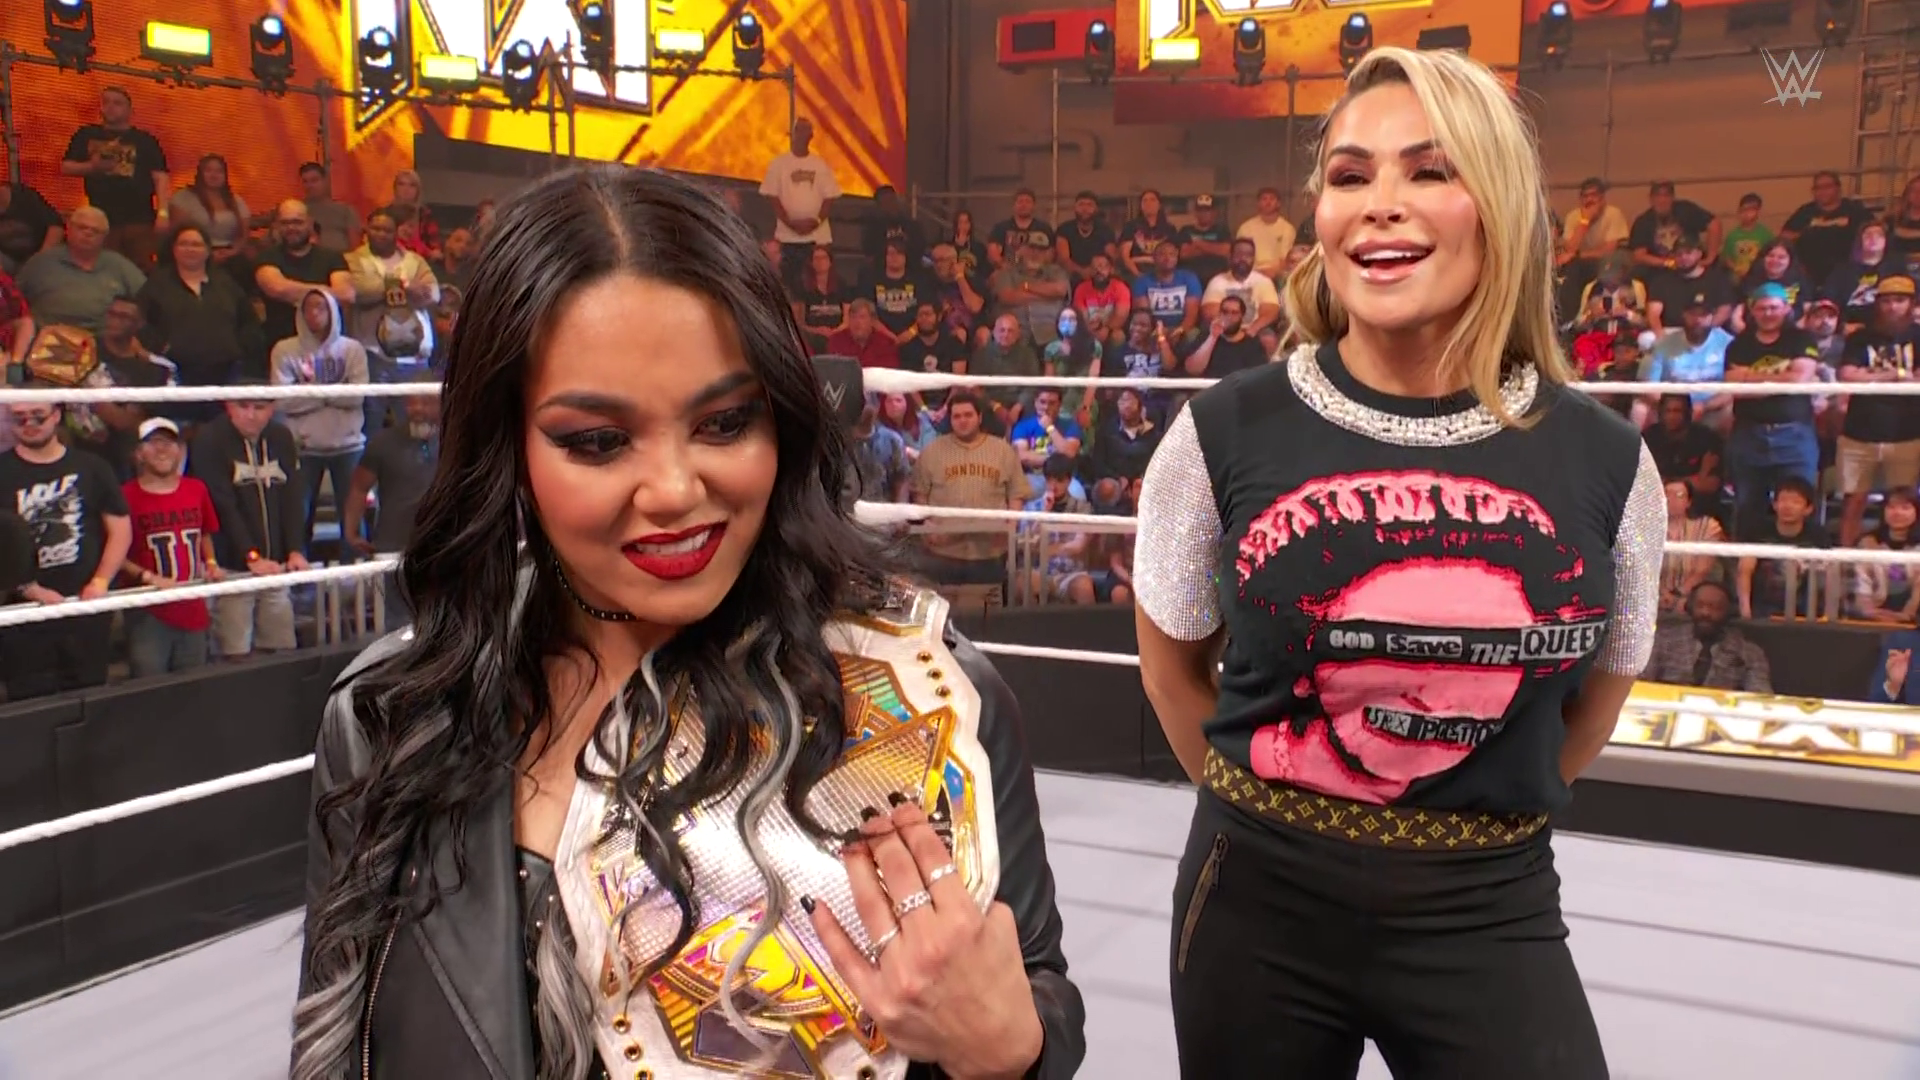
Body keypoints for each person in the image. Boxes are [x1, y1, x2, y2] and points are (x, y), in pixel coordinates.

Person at [290, 166, 1084, 1080]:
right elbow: (333, 1040)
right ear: (506, 445)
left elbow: (1032, 991)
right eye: (598, 440)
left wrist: (1011, 1052)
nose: (674, 490)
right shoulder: (390, 714)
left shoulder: (928, 686)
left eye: (724, 422)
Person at [1132, 48, 1662, 1078]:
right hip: (1257, 907)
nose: (1379, 202)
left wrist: (1464, 817)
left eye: (1428, 170)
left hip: (1490, 908)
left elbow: (1598, 697)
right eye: (1349, 174)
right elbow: (1170, 670)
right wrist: (1278, 824)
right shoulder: (1220, 432)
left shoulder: (1608, 461)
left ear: (1498, 205)